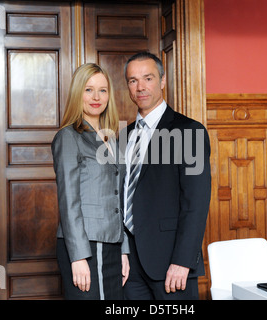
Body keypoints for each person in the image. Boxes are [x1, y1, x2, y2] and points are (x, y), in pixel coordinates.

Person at [122, 52, 211, 300]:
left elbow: (197, 202)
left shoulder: (189, 131)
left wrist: (183, 261)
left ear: (162, 81)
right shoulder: (123, 136)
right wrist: (120, 252)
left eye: (148, 78)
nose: (140, 87)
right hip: (129, 268)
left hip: (171, 265)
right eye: (132, 80)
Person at [52, 63, 130, 300]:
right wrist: (78, 257)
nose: (96, 97)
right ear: (78, 93)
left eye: (103, 90)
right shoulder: (68, 136)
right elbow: (69, 202)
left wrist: (124, 250)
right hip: (85, 245)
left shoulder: (114, 138)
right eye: (89, 90)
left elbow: (121, 197)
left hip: (112, 245)